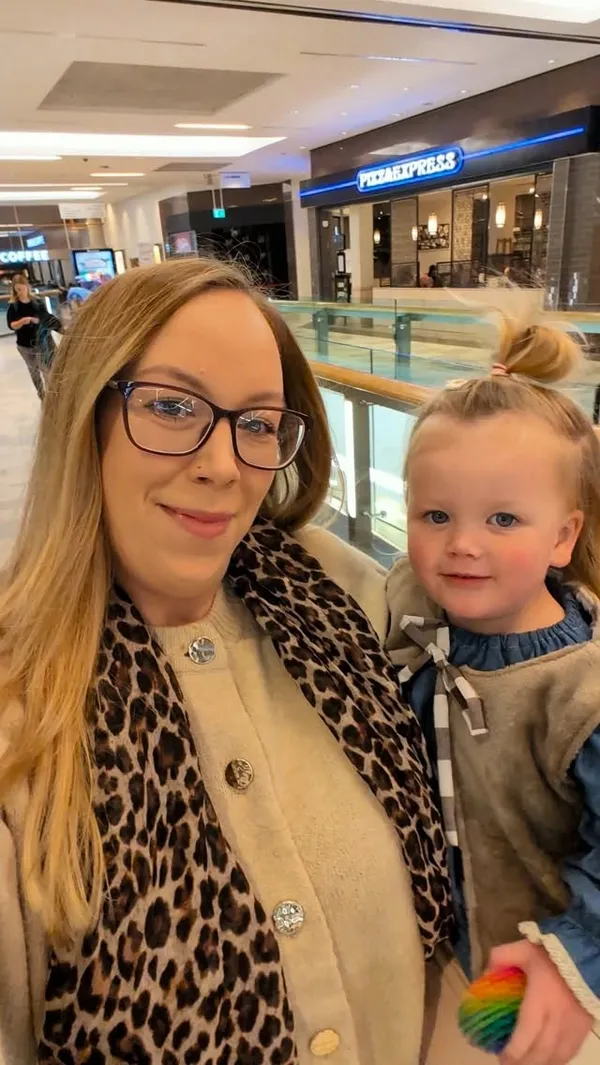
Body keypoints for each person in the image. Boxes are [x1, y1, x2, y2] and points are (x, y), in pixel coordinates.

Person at [0, 257, 451, 1064]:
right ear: (86, 415)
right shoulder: (22, 723)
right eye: (173, 406)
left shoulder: (348, 602)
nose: (223, 465)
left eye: (257, 422)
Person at [386, 318, 600, 1065]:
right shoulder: (412, 600)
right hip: (442, 950)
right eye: (435, 515)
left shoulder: (582, 693)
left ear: (563, 536)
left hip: (543, 979)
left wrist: (578, 957)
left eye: (502, 518)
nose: (462, 543)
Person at [5, 273, 61, 399]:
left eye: (22, 288)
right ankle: (42, 395)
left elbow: (47, 318)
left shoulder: (37, 303)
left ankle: (53, 398)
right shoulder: (14, 306)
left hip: (42, 344)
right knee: (34, 373)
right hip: (25, 346)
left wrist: (38, 320)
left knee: (48, 371)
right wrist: (22, 321)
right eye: (17, 289)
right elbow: (12, 325)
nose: (20, 292)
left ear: (27, 286)